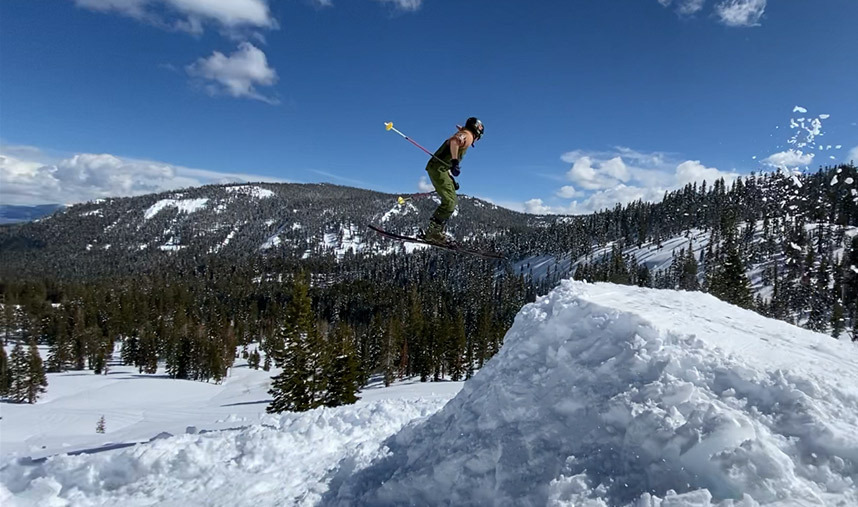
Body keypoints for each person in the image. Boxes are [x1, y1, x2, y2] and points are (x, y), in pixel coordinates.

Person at [419, 117, 484, 245]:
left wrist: (450, 177)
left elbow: (455, 141)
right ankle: (433, 233)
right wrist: (455, 162)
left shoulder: (465, 133)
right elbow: (455, 141)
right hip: (438, 169)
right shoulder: (468, 136)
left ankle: (435, 231)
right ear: (477, 133)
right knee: (450, 202)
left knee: (451, 199)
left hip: (439, 168)